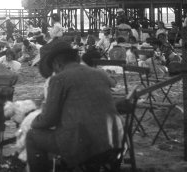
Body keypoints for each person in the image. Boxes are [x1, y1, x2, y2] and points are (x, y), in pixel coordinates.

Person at [26, 40, 123, 172]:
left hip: (83, 146)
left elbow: (49, 119)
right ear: (76, 59)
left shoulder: (59, 79)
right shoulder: (100, 73)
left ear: (57, 64)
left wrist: (33, 123)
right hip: (114, 143)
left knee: (32, 136)